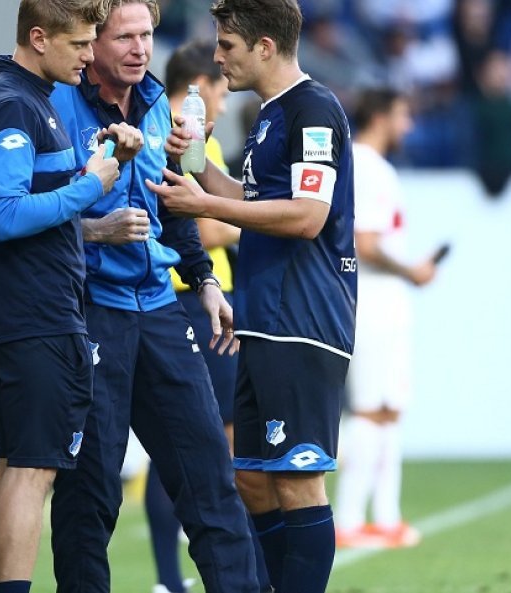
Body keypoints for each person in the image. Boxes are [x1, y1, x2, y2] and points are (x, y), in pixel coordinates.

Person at [48, 2, 261, 592]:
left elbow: (177, 204)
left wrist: (207, 281)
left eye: (147, 35)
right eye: (126, 36)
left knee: (212, 479)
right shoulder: (54, 104)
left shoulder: (157, 108)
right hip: (93, 312)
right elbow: (18, 215)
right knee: (91, 492)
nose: (142, 48)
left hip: (164, 309)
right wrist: (95, 229)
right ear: (93, 41)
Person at [150, 1, 356, 592]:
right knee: (254, 478)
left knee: (296, 478)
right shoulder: (269, 115)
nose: (217, 57)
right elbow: (253, 195)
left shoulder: (313, 111)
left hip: (303, 319)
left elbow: (308, 216)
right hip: (262, 317)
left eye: (229, 46)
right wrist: (198, 174)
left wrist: (207, 206)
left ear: (265, 46)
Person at [0, 2, 119, 592]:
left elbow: (34, 199)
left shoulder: (23, 98)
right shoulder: (13, 102)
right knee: (32, 473)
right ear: (38, 37)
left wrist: (96, 169)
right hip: (34, 314)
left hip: (21, 312)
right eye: (80, 44)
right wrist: (90, 186)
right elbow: (3, 215)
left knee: (12, 468)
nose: (89, 55)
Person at [146, 37, 271, 593]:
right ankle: (185, 575)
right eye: (219, 85)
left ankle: (180, 575)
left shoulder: (189, 134)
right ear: (202, 87)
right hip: (186, 299)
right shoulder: (182, 135)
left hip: (201, 296)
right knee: (207, 440)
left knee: (188, 441)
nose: (224, 98)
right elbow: (203, 225)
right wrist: (252, 220)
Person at [334, 87, 438, 550]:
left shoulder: (374, 166)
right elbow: (366, 241)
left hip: (385, 299)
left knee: (390, 408)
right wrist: (410, 269)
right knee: (372, 408)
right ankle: (350, 518)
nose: (409, 126)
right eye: (402, 115)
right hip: (372, 298)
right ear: (379, 115)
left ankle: (386, 516)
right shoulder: (368, 167)